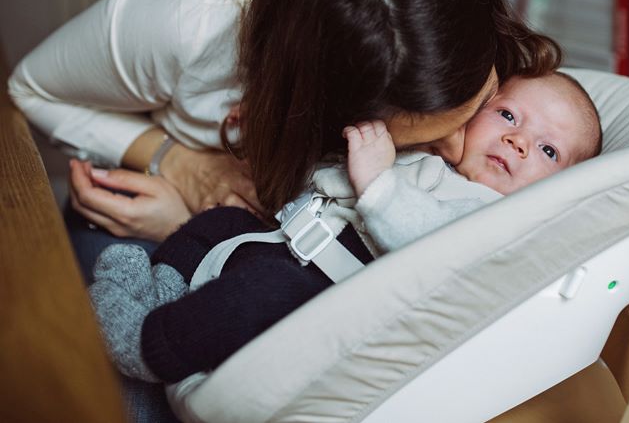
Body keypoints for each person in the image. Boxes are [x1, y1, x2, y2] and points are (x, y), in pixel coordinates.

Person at [7, 0, 560, 286]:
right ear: (327, 119)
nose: (460, 153)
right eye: (430, 140)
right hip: (158, 202)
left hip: (231, 235)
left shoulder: (484, 61)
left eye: (486, 105)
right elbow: (30, 90)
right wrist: (175, 162)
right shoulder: (181, 21)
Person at [89, 71, 602, 384]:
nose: (518, 142)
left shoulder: (495, 218)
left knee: (264, 289)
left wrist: (378, 181)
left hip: (324, 296)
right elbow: (328, 180)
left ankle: (147, 347)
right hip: (281, 240)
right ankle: (162, 289)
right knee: (219, 223)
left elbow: (431, 247)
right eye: (509, 115)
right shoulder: (430, 155)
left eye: (548, 149)